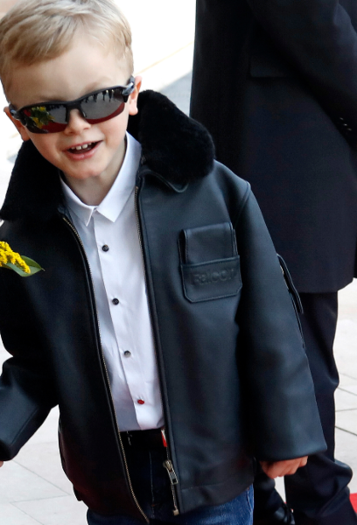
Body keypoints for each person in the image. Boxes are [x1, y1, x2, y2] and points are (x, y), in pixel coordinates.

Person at [0, 0, 327, 523]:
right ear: (18, 122)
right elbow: (35, 364)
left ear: (133, 93)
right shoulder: (23, 240)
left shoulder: (213, 192)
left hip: (218, 464)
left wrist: (288, 430)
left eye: (99, 102)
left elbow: (269, 319)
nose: (76, 127)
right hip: (110, 480)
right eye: (48, 113)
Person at [189, 1, 357, 524]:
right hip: (287, 118)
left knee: (281, 334)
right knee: (291, 340)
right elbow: (310, 15)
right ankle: (318, 506)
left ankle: (291, 500)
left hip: (291, 113)